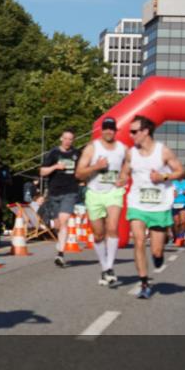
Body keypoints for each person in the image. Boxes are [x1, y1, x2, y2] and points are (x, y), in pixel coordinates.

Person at [119, 115, 185, 300]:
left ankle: (158, 255)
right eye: (130, 132)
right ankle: (144, 283)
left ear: (145, 131)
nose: (131, 135)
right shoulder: (131, 153)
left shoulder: (163, 152)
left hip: (159, 206)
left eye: (134, 131)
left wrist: (163, 177)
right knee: (139, 241)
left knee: (156, 250)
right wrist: (118, 180)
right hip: (137, 204)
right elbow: (124, 174)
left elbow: (181, 171)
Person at [75, 116, 126, 287]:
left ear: (115, 131)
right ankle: (104, 267)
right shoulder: (92, 148)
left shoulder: (122, 148)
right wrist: (96, 167)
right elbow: (79, 173)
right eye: (106, 128)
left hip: (114, 192)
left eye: (111, 128)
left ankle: (109, 267)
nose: (109, 131)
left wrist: (124, 177)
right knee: (98, 235)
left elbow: (130, 164)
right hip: (94, 193)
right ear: (101, 130)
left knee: (112, 228)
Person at [41, 129, 81, 268]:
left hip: (70, 191)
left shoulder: (77, 154)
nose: (67, 141)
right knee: (58, 224)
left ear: (73, 140)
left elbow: (82, 169)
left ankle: (60, 254)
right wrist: (56, 166)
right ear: (61, 138)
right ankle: (61, 243)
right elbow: (42, 172)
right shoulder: (53, 153)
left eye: (70, 139)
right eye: (65, 138)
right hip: (54, 192)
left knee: (64, 220)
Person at [172, 176, 185, 244]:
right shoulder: (173, 182)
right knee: (176, 223)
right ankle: (176, 236)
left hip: (184, 203)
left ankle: (181, 237)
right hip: (174, 203)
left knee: (183, 221)